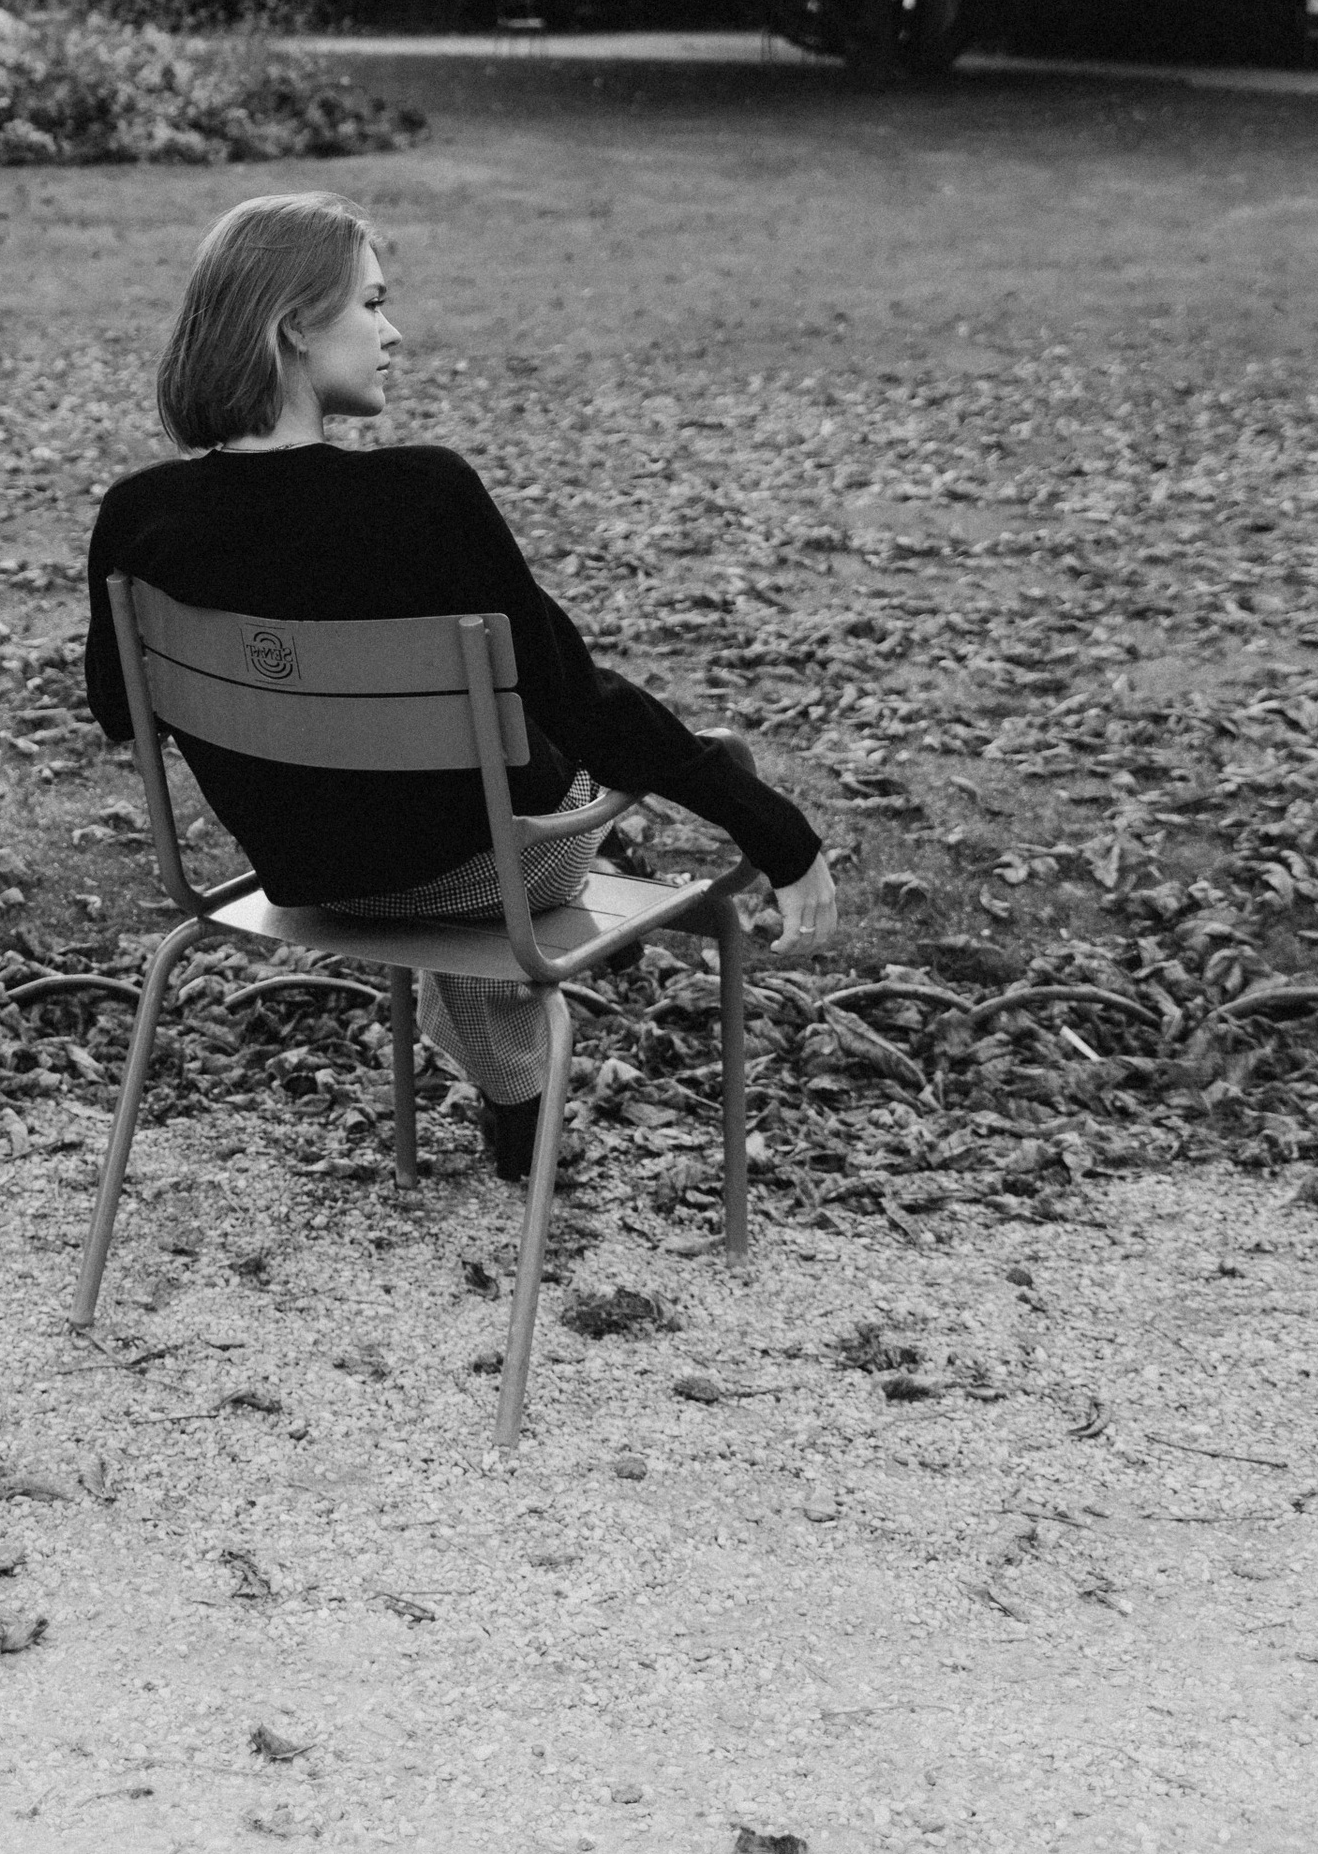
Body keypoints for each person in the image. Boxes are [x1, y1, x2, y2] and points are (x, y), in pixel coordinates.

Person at [83, 192, 836, 1179]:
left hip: (301, 875)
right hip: (495, 876)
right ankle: (622, 846)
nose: (391, 331)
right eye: (370, 304)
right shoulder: (424, 494)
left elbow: (112, 708)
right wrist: (771, 826)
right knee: (569, 768)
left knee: (484, 762)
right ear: (294, 330)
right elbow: (582, 702)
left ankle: (520, 1086)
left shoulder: (137, 515)